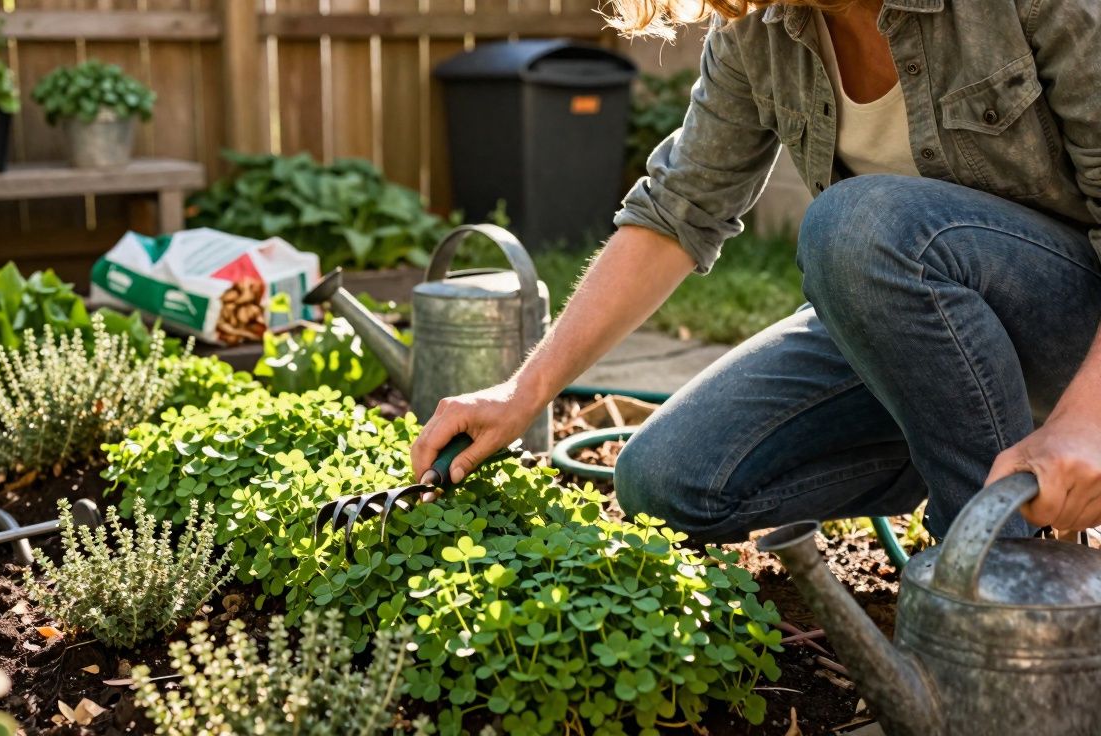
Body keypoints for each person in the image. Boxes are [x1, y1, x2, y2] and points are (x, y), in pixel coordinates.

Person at [410, 0, 1101, 542]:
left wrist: (1085, 422)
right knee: (667, 481)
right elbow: (677, 212)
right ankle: (968, 459)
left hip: (1073, 335)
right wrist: (522, 392)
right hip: (927, 330)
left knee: (857, 225)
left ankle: (992, 569)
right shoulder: (761, 30)